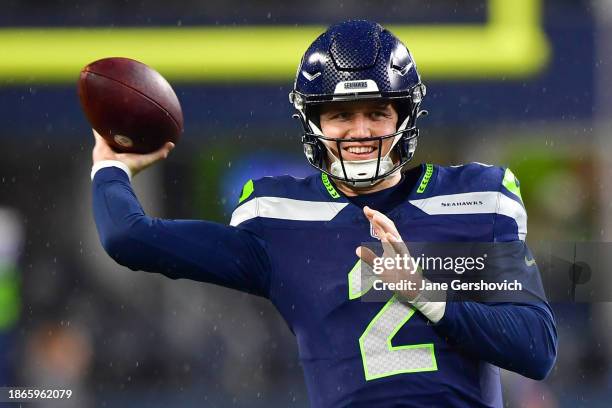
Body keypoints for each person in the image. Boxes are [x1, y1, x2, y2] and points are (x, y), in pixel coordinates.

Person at [91, 20, 557, 408]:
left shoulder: (474, 200)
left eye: (377, 112)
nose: (360, 130)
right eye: (340, 115)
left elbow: (537, 349)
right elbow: (128, 238)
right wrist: (111, 167)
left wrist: (427, 295)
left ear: (404, 116)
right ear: (313, 123)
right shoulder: (280, 220)